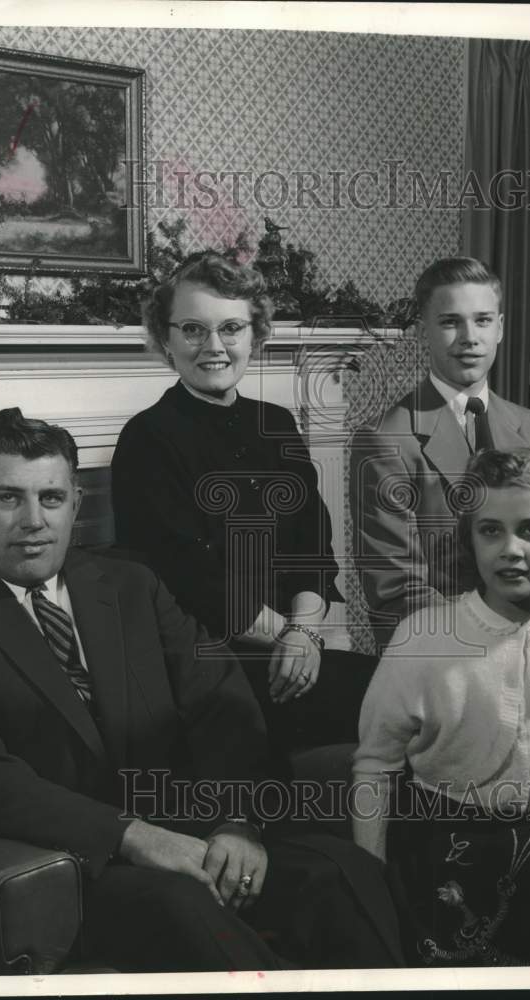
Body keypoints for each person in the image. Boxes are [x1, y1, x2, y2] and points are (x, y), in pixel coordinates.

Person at [0, 407, 403, 973]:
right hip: (76, 863)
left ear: (76, 504)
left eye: (51, 498)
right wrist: (134, 838)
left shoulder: (131, 585)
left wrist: (237, 823)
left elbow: (221, 706)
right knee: (184, 911)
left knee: (340, 871)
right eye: (9, 498)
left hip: (199, 834)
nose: (33, 520)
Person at [112, 251, 373, 751]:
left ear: (255, 334)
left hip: (295, 648)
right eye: (193, 329)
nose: (214, 346)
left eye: (231, 328)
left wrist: (304, 635)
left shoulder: (277, 424)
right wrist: (296, 639)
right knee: (390, 706)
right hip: (208, 662)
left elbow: (314, 553)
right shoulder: (146, 439)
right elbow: (191, 581)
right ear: (165, 338)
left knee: (412, 695)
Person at [351, 448, 530, 966]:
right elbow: (374, 765)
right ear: (469, 538)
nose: (510, 549)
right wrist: (369, 877)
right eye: (491, 531)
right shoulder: (421, 638)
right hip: (454, 853)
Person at [349, 257, 530, 651]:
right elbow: (397, 592)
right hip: (441, 658)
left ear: (500, 328)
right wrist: (499, 646)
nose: (469, 337)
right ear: (423, 332)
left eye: (482, 320)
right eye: (450, 322)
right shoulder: (384, 440)